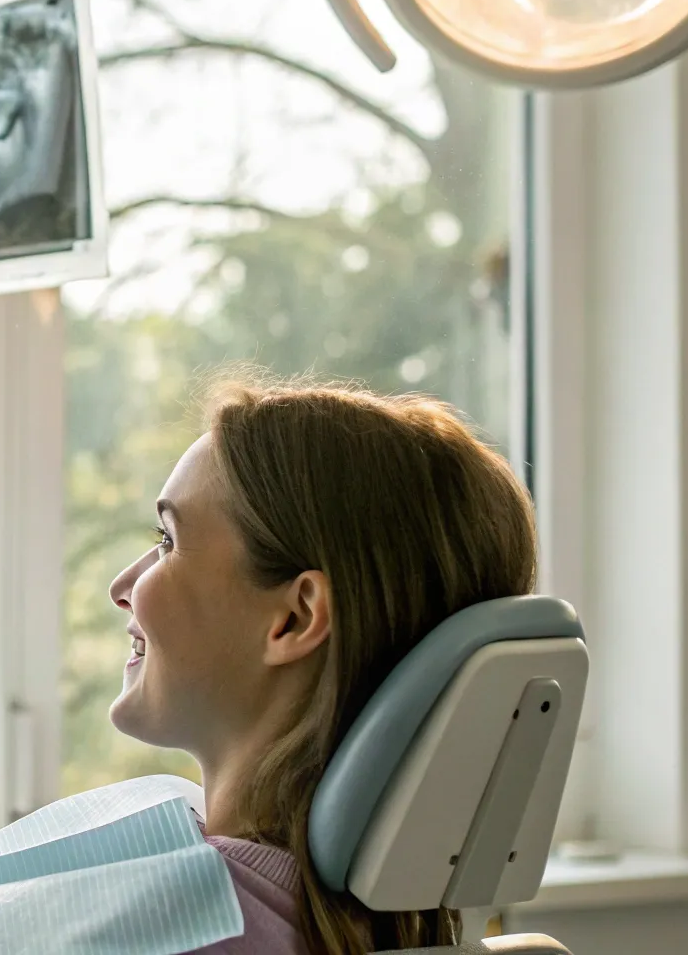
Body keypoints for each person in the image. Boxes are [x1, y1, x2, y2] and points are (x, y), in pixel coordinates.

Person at [105, 375, 536, 955]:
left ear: (295, 619)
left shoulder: (176, 929)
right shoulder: (361, 928)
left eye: (168, 539)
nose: (122, 586)